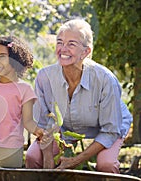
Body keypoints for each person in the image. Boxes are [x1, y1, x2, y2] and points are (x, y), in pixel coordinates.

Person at [25, 19, 133, 173]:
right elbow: (45, 124)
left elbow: (110, 130)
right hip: (65, 129)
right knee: (33, 157)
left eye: (71, 44)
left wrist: (75, 160)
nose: (63, 49)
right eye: (60, 42)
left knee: (106, 164)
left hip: (107, 127)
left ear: (86, 52)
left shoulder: (105, 79)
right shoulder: (44, 77)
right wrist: (48, 163)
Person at [0, 36, 44, 168]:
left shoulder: (25, 89)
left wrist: (38, 131)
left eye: (2, 56)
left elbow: (28, 121)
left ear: (15, 58)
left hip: (11, 147)